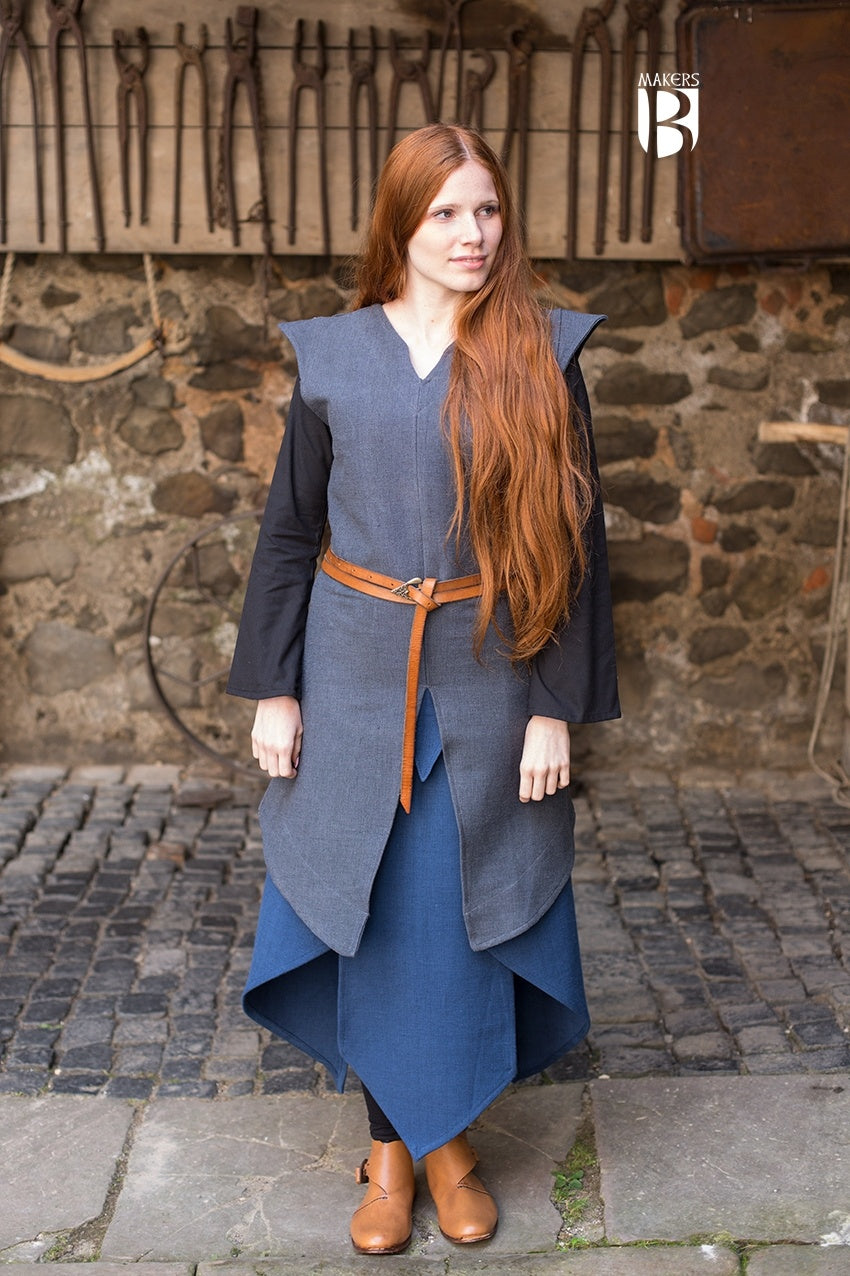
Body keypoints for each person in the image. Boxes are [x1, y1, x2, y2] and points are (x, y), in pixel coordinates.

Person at [227, 122, 620, 1256]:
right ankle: (398, 1157)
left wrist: (554, 707)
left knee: (453, 913)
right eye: (445, 212)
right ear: (401, 224)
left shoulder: (541, 352)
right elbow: (290, 532)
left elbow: (576, 547)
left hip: (489, 674)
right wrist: (275, 688)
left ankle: (441, 1143)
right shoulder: (334, 357)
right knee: (370, 912)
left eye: (486, 209)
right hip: (350, 673)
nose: (471, 233)